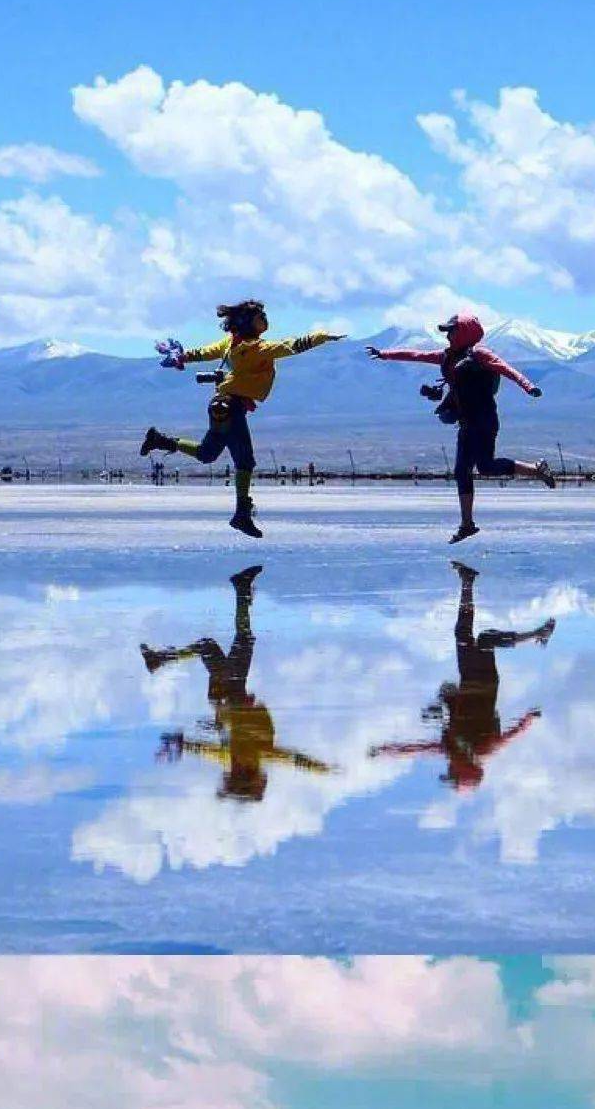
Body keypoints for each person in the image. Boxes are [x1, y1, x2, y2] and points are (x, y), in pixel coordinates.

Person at [141, 302, 341, 533]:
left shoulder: (231, 344)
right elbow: (292, 346)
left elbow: (203, 353)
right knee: (244, 461)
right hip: (230, 406)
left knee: (207, 454)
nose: (264, 318)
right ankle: (241, 514)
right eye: (260, 316)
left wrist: (182, 358)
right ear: (248, 322)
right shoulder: (257, 348)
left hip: (223, 405)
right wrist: (322, 336)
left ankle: (160, 440)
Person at [370, 311, 558, 541]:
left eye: (452, 331)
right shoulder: (447, 356)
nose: (448, 336)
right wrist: (384, 354)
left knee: (486, 466)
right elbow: (417, 355)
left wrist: (527, 386)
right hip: (466, 421)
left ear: (464, 332)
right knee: (462, 471)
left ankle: (536, 469)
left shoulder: (479, 354)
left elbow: (506, 369)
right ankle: (467, 524)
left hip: (485, 419)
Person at [141, 574, 330, 803]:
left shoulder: (248, 757)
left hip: (230, 694)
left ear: (250, 776)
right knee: (212, 645)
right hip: (226, 696)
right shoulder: (232, 758)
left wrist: (321, 769)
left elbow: (293, 759)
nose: (263, 778)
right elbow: (205, 750)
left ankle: (241, 590)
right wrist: (185, 744)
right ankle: (161, 658)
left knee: (236, 640)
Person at [368, 564, 555, 790]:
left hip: (473, 682)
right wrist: (529, 718)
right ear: (464, 770)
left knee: (475, 636)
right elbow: (510, 734)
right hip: (480, 682)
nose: (448, 768)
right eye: (452, 773)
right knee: (481, 638)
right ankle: (535, 632)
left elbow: (416, 749)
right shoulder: (484, 747)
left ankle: (469, 582)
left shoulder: (455, 749)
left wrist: (386, 750)